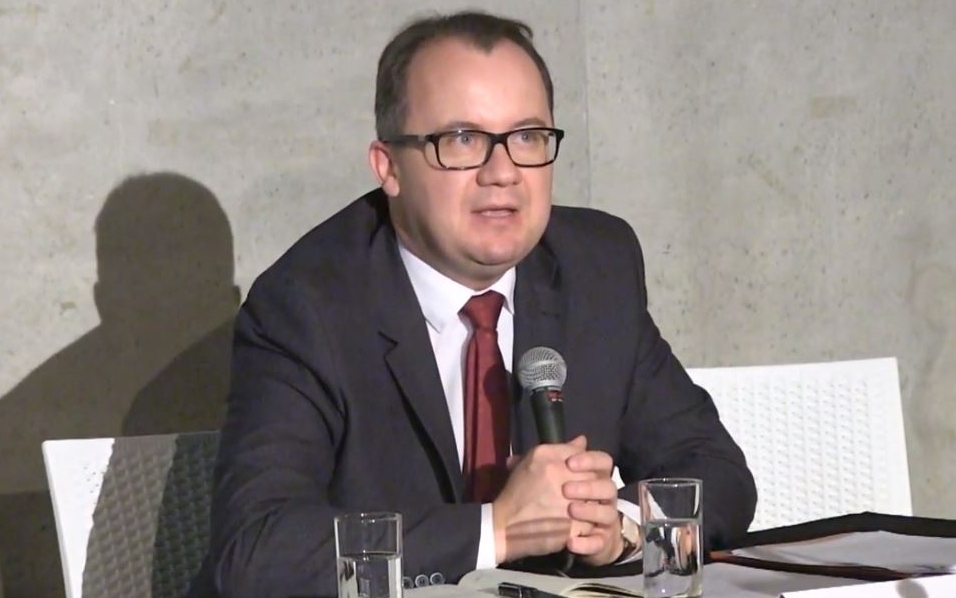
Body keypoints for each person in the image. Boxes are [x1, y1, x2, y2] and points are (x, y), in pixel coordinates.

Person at [188, 10, 756, 598]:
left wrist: (622, 528)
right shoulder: (307, 305)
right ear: (389, 167)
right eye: (463, 140)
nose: (503, 172)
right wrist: (496, 529)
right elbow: (255, 551)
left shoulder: (595, 268)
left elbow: (714, 471)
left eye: (527, 137)